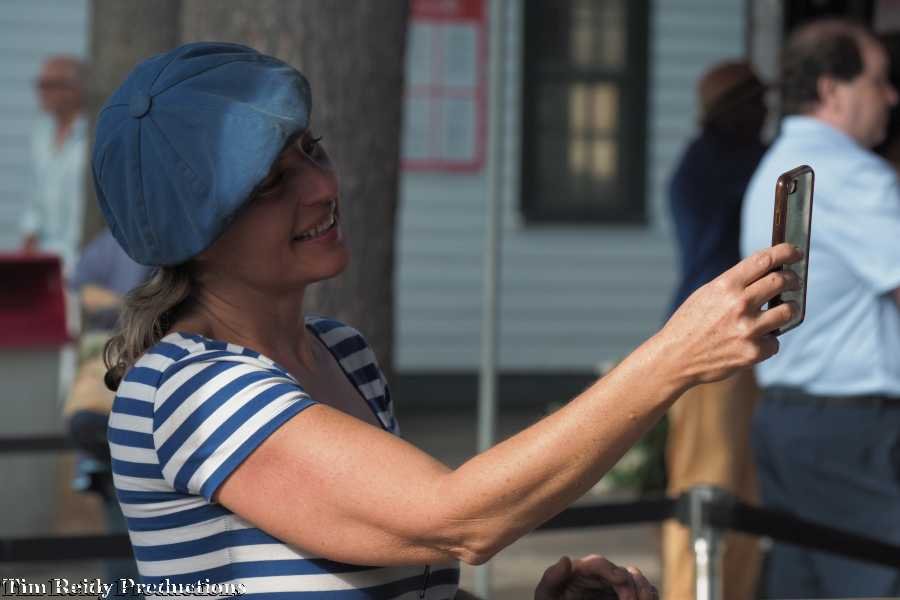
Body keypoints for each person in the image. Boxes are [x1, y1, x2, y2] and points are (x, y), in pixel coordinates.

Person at [94, 42, 800, 599]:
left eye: (311, 150)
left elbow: (408, 564)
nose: (323, 185)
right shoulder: (190, 388)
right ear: (197, 233)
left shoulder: (340, 353)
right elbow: (457, 519)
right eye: (274, 182)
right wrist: (673, 357)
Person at [740, 20, 900, 599]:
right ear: (832, 89)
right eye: (878, 81)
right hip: (851, 429)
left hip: (787, 416)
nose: (891, 97)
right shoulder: (853, 174)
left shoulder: (778, 167)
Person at [662, 61, 768, 600]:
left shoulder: (713, 161)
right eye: (755, 101)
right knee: (709, 484)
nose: (765, 111)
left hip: (728, 337)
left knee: (740, 487)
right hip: (710, 343)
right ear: (730, 109)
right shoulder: (719, 165)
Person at [64, 228, 152, 591]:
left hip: (123, 415)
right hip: (118, 410)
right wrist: (137, 310)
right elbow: (85, 292)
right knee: (125, 547)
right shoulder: (115, 242)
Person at [20, 55, 88, 276]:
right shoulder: (40, 132)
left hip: (80, 258)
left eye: (50, 85)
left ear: (75, 89)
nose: (42, 92)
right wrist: (28, 239)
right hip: (43, 258)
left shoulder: (92, 134)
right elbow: (34, 194)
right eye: (40, 85)